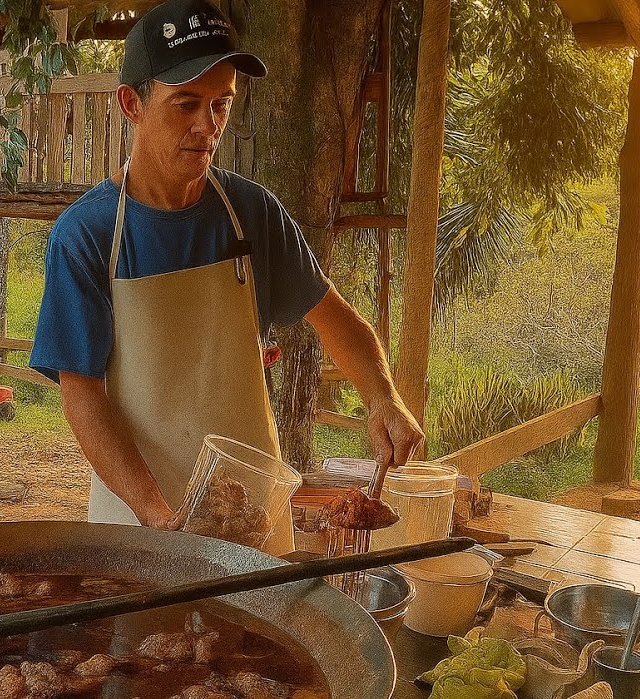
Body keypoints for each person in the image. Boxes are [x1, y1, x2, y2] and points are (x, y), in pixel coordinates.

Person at [31, 0, 423, 554]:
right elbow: (82, 399)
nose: (206, 127)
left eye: (221, 106)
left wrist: (383, 397)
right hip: (141, 523)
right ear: (131, 104)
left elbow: (335, 320)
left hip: (250, 516)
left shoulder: (250, 213)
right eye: (185, 105)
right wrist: (160, 518)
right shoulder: (87, 236)